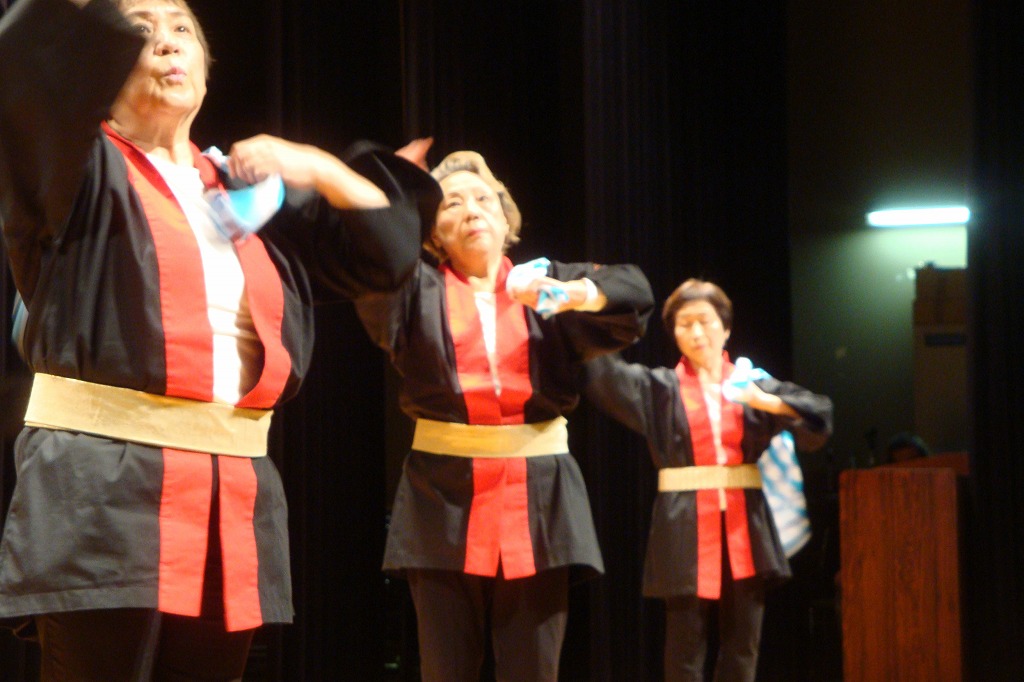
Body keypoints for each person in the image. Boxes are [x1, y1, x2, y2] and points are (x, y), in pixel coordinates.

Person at [0, 0, 436, 679]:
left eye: (182, 28)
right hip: (100, 497)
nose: (166, 42)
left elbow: (385, 255)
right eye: (139, 29)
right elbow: (27, 78)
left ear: (206, 65)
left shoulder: (242, 194)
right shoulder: (75, 173)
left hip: (229, 498)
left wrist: (316, 166)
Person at [354, 146, 654, 681]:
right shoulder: (414, 290)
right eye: (452, 204)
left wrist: (574, 295)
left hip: (541, 498)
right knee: (446, 671)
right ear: (432, 232)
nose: (471, 210)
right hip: (440, 498)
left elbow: (634, 289)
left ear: (505, 216)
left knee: (533, 670)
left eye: (483, 199)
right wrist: (395, 192)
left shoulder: (546, 283)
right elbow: (372, 259)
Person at [582, 278, 833, 682]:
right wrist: (579, 305)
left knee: (743, 645)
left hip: (745, 526)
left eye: (705, 321)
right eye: (685, 324)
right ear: (674, 335)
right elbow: (603, 374)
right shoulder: (658, 389)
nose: (696, 332)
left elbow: (819, 413)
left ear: (726, 328)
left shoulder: (752, 384)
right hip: (683, 523)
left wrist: (763, 401)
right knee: (684, 648)